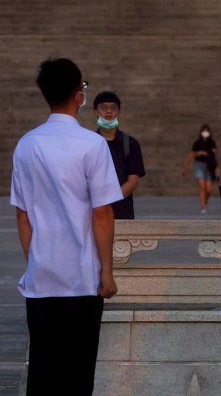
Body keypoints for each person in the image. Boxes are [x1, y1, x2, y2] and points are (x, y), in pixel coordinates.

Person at [11, 58, 123, 395]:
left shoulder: (27, 144)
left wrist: (36, 261)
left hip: (42, 278)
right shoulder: (92, 144)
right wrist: (107, 272)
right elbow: (102, 213)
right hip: (81, 278)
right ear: (78, 95)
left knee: (43, 371)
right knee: (78, 372)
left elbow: (22, 215)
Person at [92, 91, 145, 219]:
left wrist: (108, 200)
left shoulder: (130, 144)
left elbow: (133, 181)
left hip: (122, 213)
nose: (109, 112)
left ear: (118, 112)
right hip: (93, 213)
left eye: (113, 108)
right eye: (104, 108)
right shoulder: (88, 143)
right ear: (96, 112)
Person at [181, 124, 218, 213]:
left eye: (207, 131)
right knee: (202, 186)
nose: (205, 133)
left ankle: (205, 200)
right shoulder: (197, 143)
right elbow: (191, 154)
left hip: (209, 166)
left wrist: (217, 168)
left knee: (209, 189)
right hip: (199, 165)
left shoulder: (212, 143)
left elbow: (214, 156)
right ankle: (202, 206)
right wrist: (185, 167)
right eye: (204, 131)